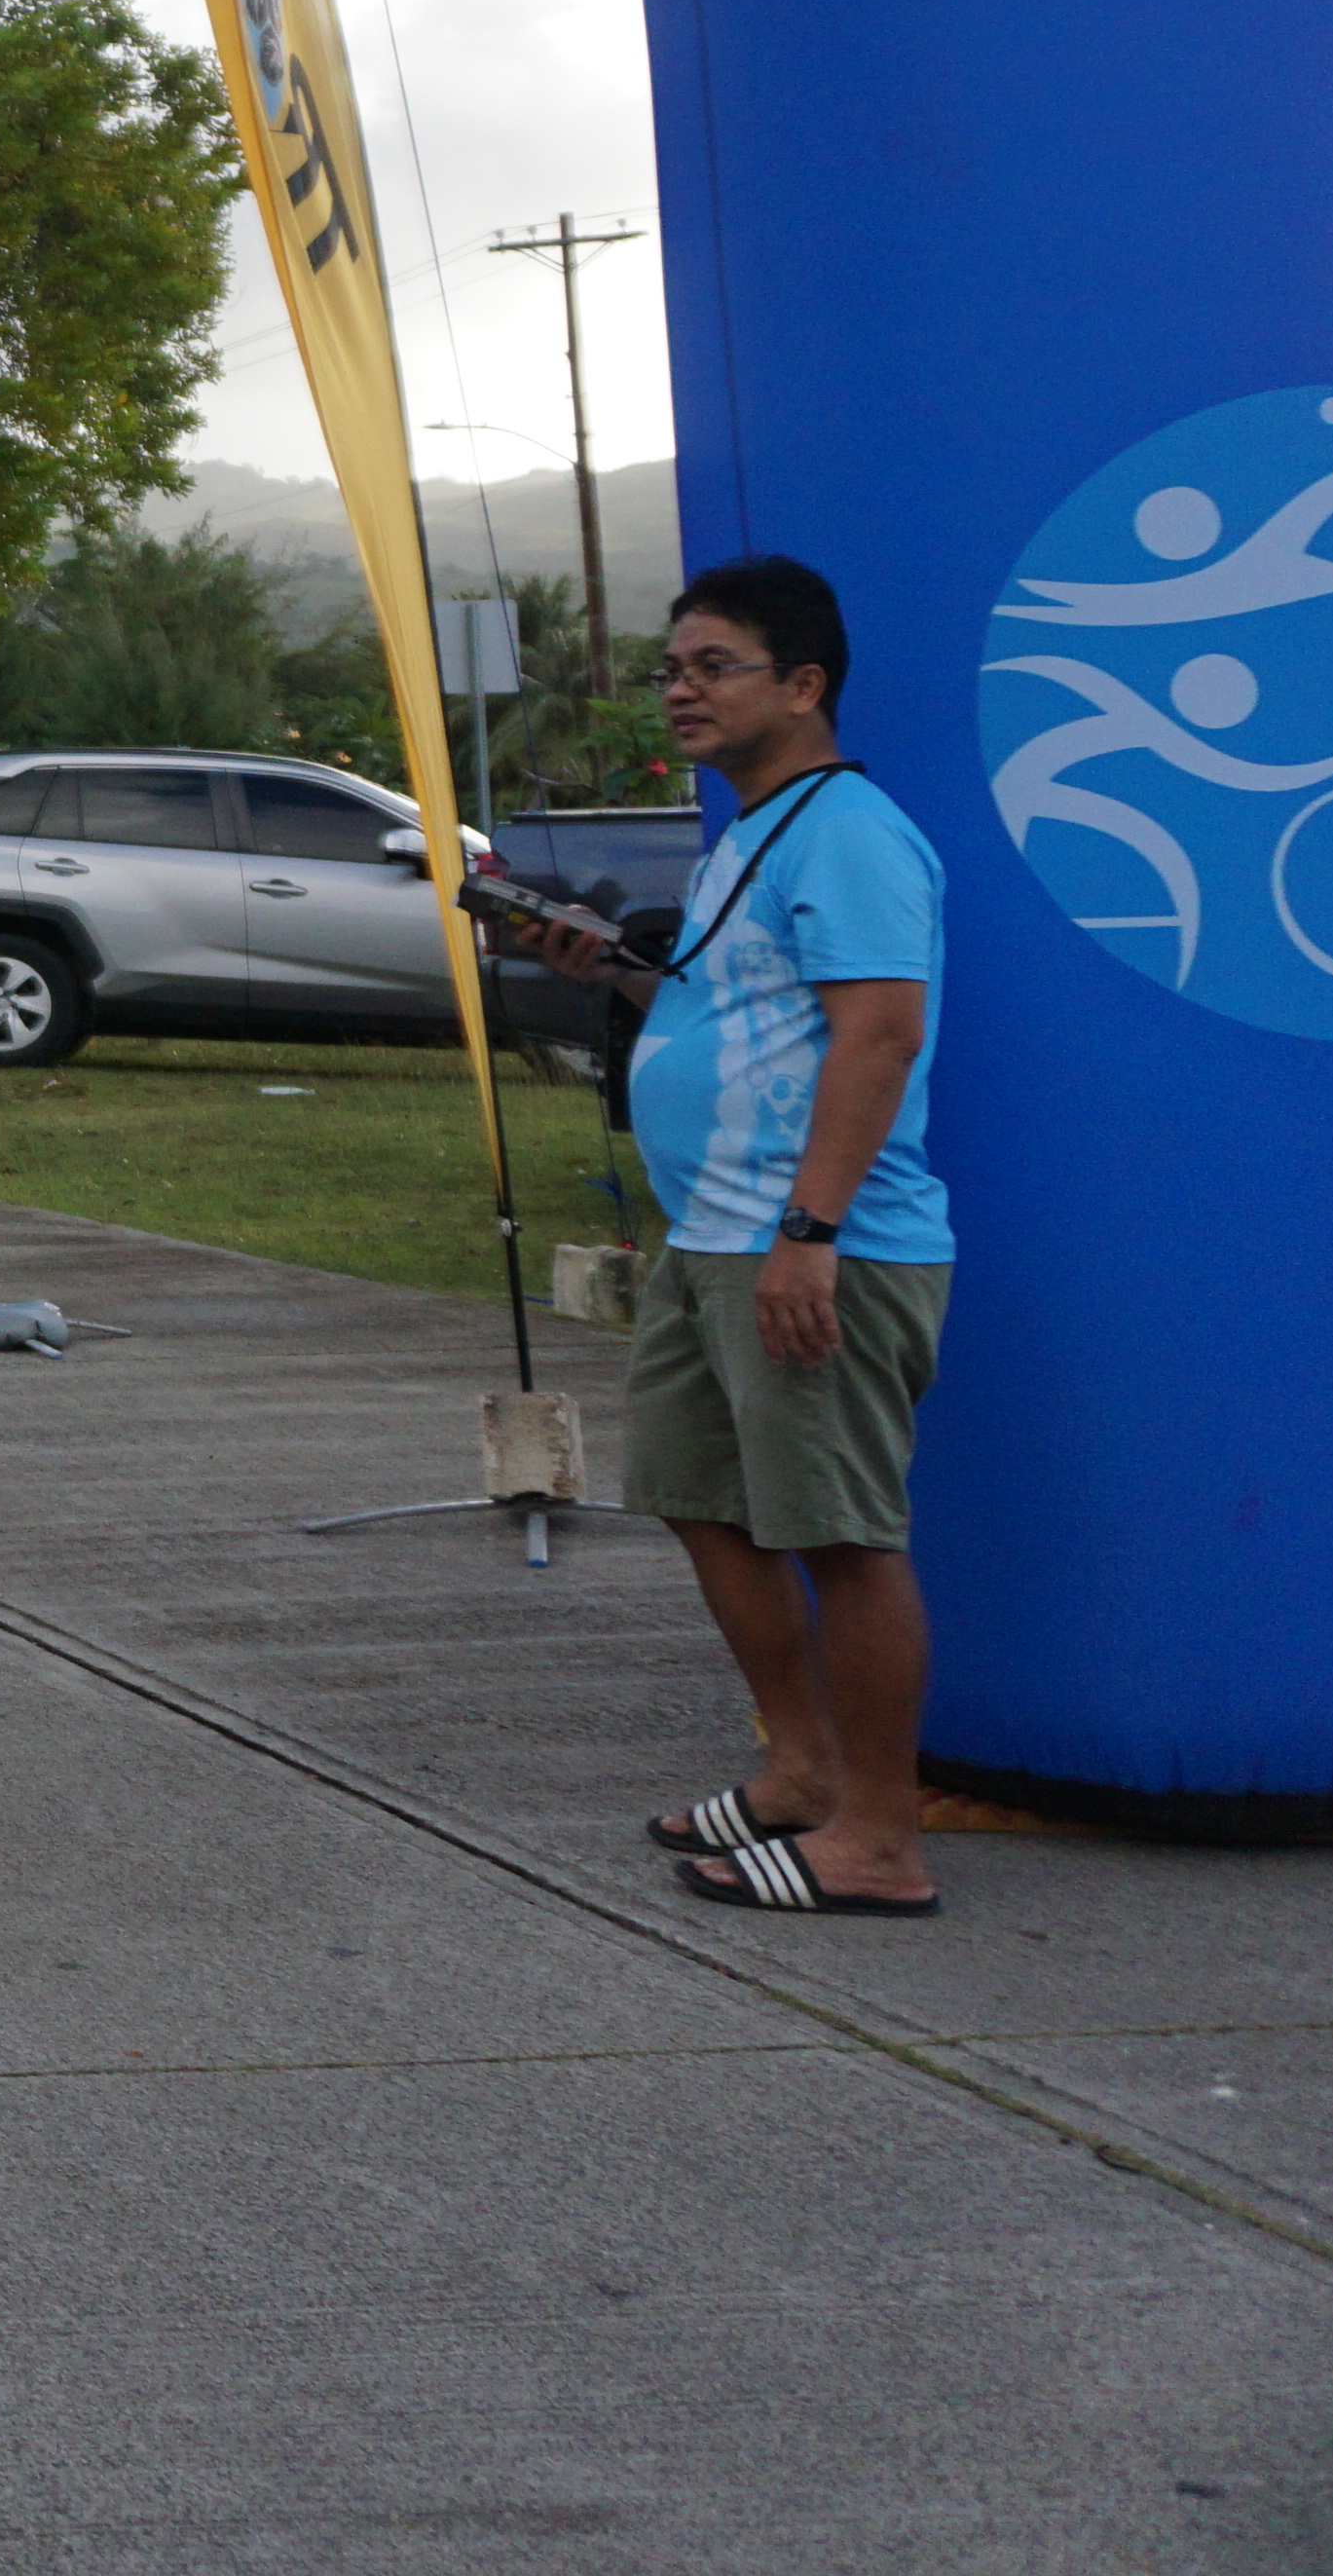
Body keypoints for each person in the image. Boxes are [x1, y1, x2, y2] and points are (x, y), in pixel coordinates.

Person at [496, 555, 953, 1922]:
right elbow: (748, 1018)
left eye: (713, 667)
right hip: (714, 1236)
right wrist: (619, 977)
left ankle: (881, 1835)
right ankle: (800, 1771)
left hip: (817, 1243)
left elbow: (880, 1033)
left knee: (842, 1536)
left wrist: (809, 1232)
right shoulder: (750, 828)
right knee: (700, 1501)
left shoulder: (850, 829)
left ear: (803, 686)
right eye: (672, 668)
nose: (681, 691)